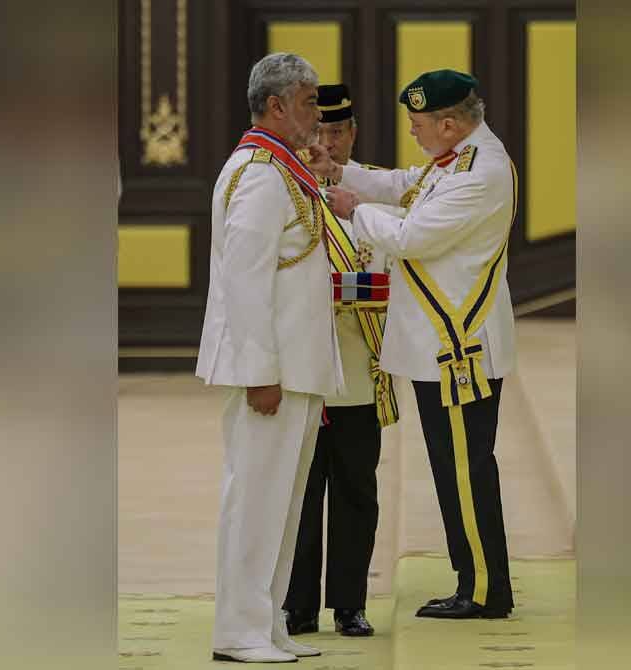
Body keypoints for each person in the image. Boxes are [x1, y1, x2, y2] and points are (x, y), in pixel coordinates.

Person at [310, 69, 518, 619]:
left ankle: (483, 590)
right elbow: (408, 184)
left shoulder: (482, 171)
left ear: (449, 124)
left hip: (458, 348)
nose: (412, 132)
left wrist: (354, 208)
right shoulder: (458, 158)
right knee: (455, 471)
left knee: (467, 473)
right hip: (443, 348)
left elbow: (410, 236)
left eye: (419, 123)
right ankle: (473, 579)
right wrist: (341, 173)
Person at [196, 52, 343, 663]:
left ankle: (268, 622)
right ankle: (238, 629)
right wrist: (260, 373)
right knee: (256, 499)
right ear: (276, 105)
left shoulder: (286, 170)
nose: (318, 113)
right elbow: (246, 280)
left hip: (297, 367)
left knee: (281, 503)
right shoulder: (258, 174)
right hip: (273, 370)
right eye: (310, 102)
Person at [282, 84, 398, 638]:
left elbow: (388, 279)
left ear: (351, 133)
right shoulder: (288, 190)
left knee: (357, 490)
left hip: (357, 367)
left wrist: (339, 288)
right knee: (301, 492)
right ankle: (298, 604)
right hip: (304, 368)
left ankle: (350, 603)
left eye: (337, 133)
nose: (325, 143)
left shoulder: (375, 192)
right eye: (318, 132)